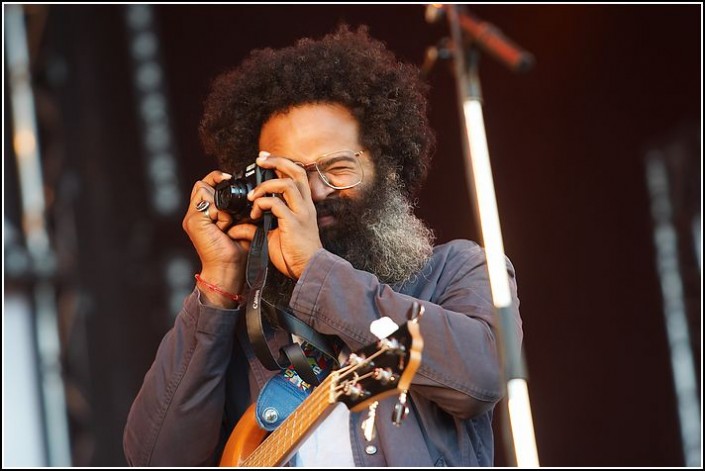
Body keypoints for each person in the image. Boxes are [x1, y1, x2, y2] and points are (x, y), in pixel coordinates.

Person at [123, 25, 522, 467]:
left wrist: (315, 268)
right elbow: (154, 457)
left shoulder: (456, 271)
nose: (313, 192)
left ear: (386, 167)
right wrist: (217, 289)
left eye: (337, 168)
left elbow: (483, 376)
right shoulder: (248, 326)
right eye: (289, 176)